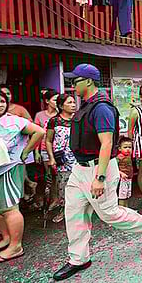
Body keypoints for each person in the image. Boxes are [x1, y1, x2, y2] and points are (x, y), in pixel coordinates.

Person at [54, 64, 142, 281]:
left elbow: (107, 143)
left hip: (98, 169)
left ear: (88, 82)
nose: (73, 85)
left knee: (109, 213)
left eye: (76, 80)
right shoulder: (86, 105)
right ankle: (78, 259)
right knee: (73, 214)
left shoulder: (101, 108)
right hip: (80, 169)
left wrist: (100, 178)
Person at [0, 88, 45, 263]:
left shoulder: (14, 121)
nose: (0, 104)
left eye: (2, 101)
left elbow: (39, 132)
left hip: (8, 169)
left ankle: (16, 246)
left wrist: (26, 152)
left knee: (9, 209)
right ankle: (6, 238)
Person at [45, 94, 78, 223]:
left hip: (77, 157)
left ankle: (79, 210)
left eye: (74, 102)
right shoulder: (54, 121)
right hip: (62, 158)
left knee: (79, 184)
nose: (73, 105)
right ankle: (63, 210)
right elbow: (48, 140)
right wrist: (51, 158)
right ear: (60, 106)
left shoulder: (77, 119)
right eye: (69, 102)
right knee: (63, 185)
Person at [34, 89, 59, 211]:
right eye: (55, 100)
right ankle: (50, 200)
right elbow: (36, 135)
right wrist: (36, 151)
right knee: (50, 175)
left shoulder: (62, 114)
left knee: (59, 176)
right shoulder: (40, 115)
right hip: (45, 149)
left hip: (60, 151)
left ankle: (57, 199)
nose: (57, 102)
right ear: (47, 101)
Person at [116, 136, 134, 208]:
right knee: (122, 196)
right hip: (122, 179)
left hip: (129, 178)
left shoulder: (129, 156)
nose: (128, 149)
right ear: (120, 148)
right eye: (125, 147)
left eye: (130, 147)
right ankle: (121, 210)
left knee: (127, 195)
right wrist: (120, 173)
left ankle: (126, 209)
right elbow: (114, 167)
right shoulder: (119, 157)